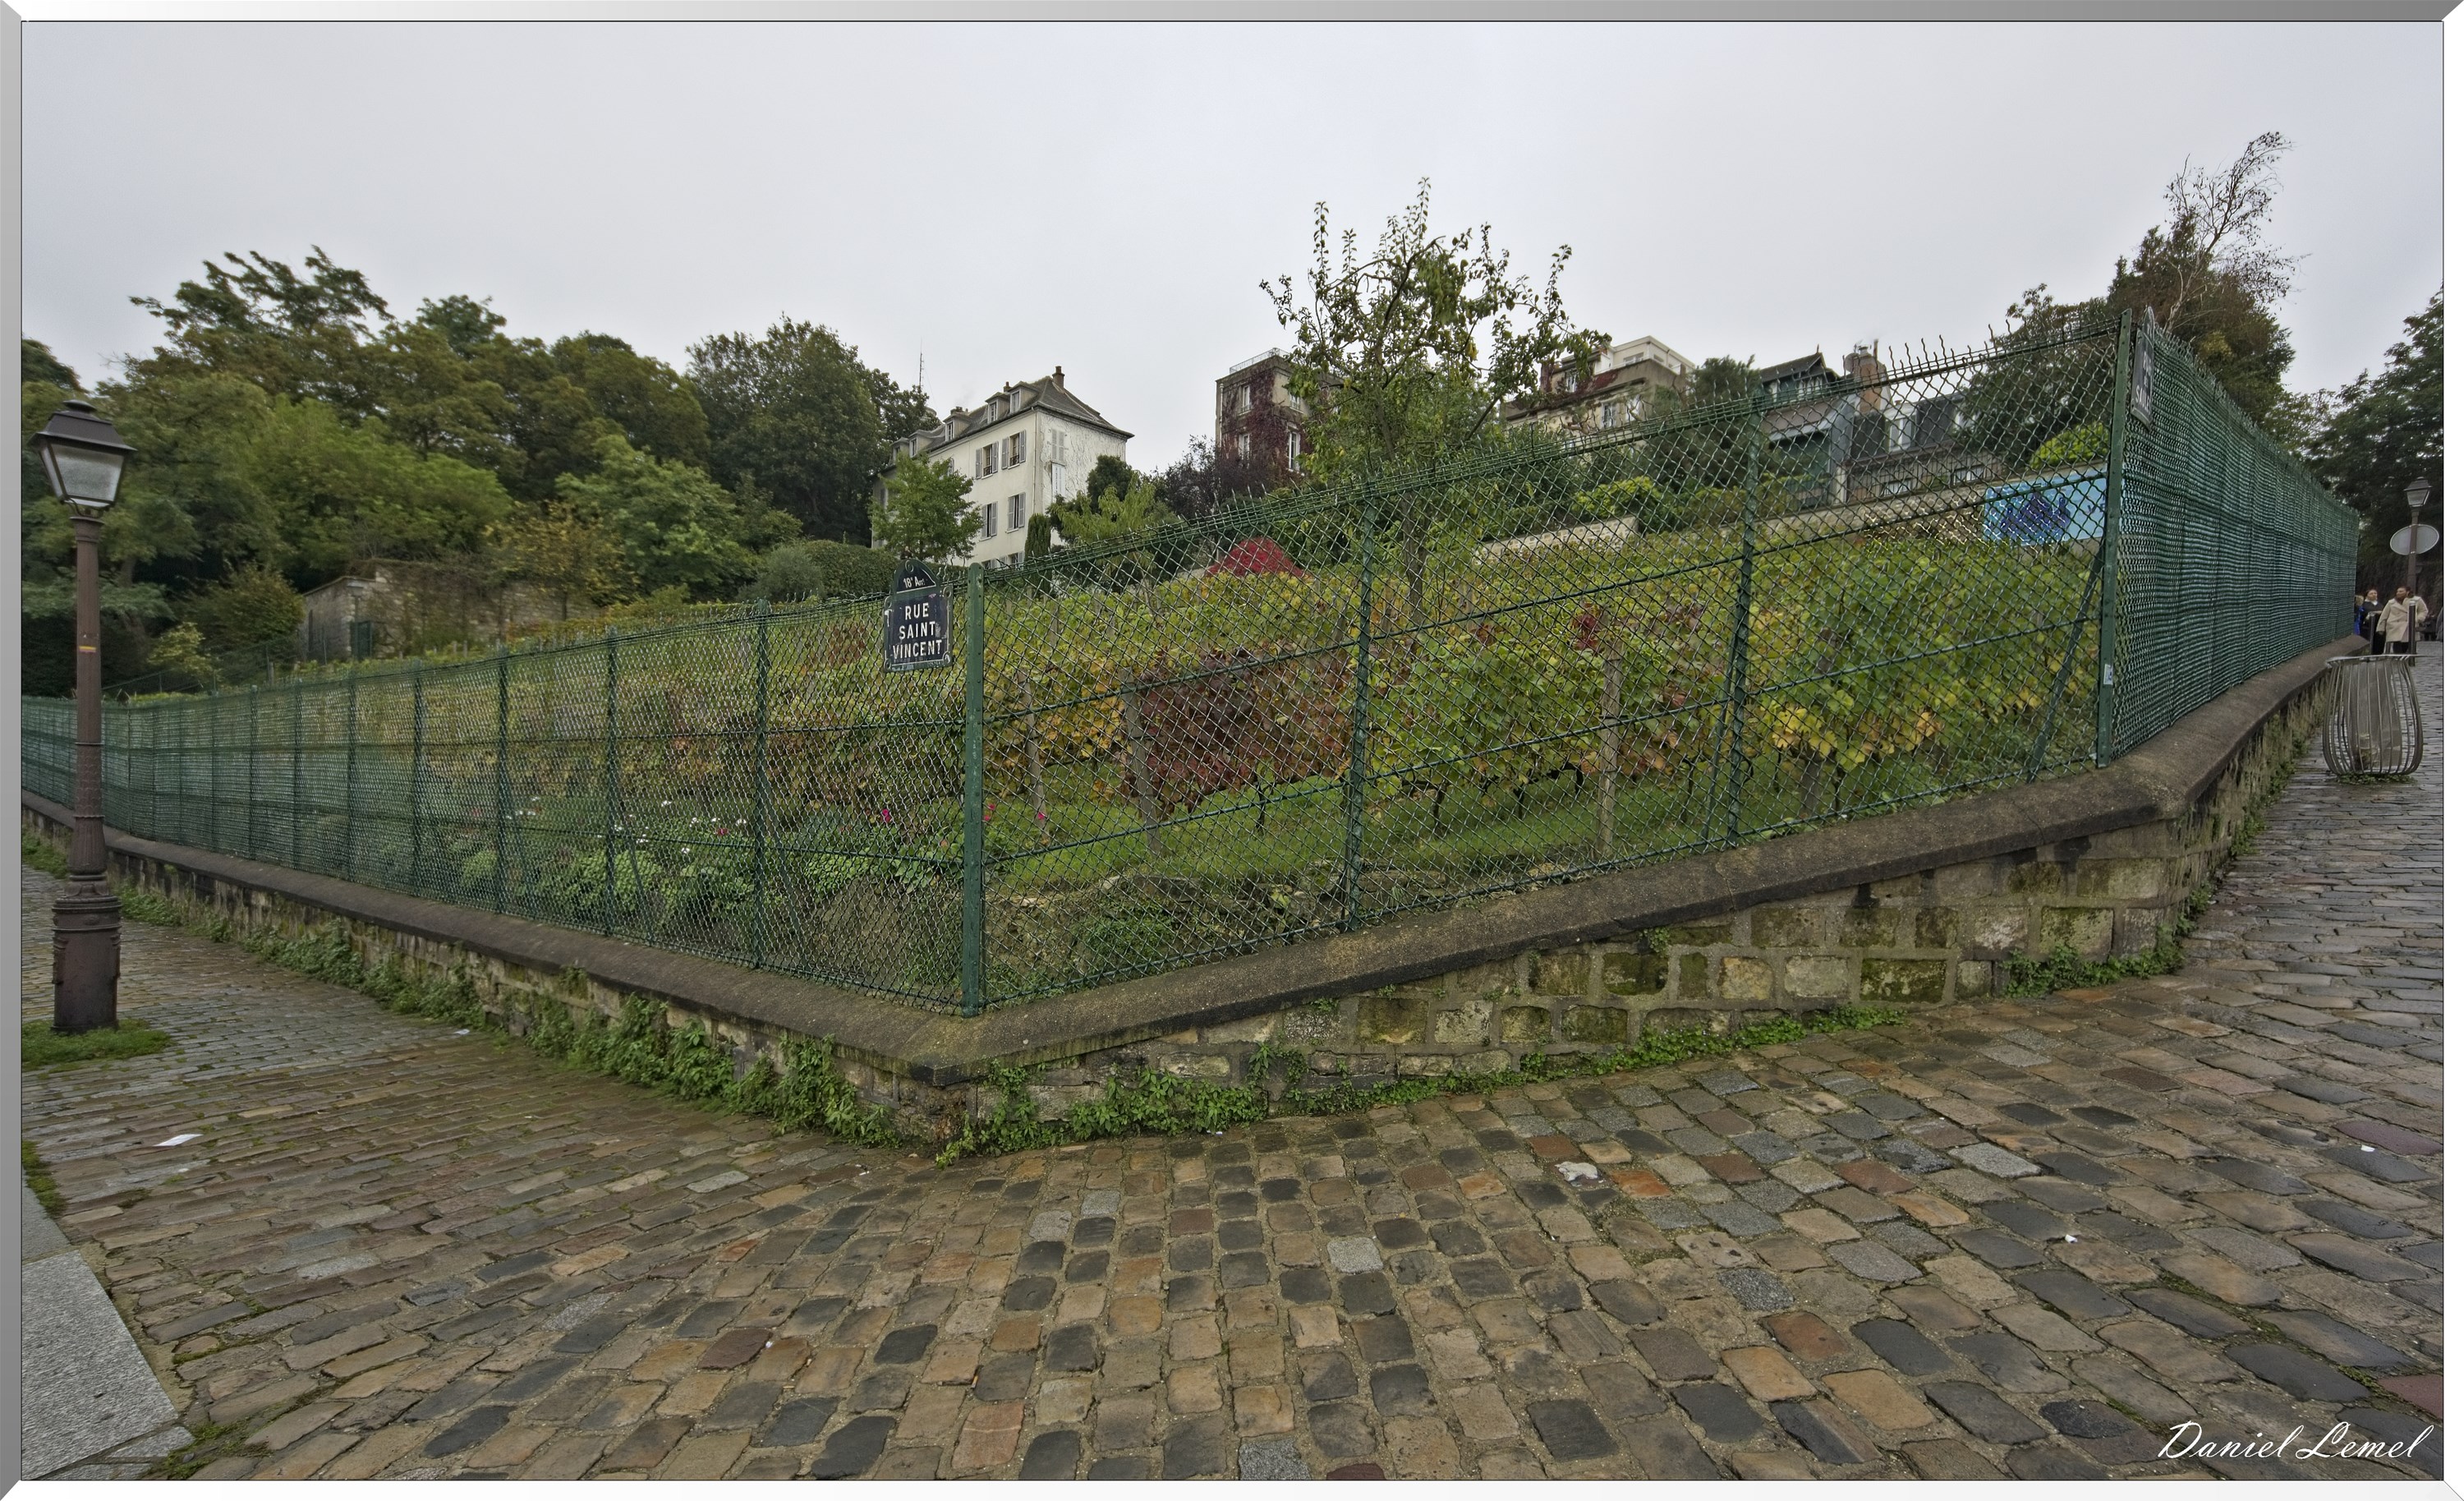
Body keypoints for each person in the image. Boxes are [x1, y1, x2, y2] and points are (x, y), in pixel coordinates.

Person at [2380, 586, 2430, 655]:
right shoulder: (2391, 602)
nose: (2398, 593)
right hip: (2395, 626)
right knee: (2397, 645)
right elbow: (2384, 615)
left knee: (2407, 646)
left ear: (2407, 592)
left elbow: (2423, 611)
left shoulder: (2417, 600)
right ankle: (2398, 661)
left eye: (2401, 591)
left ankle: (2406, 661)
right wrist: (2381, 628)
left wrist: (2418, 619)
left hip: (2409, 626)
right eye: (2397, 591)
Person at [2363, 588, 2386, 653]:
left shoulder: (2380, 604)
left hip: (2379, 625)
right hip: (2368, 626)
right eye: (2371, 593)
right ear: (2366, 595)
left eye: (2375, 593)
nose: (2374, 595)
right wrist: (2375, 612)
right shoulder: (2364, 604)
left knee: (2379, 640)